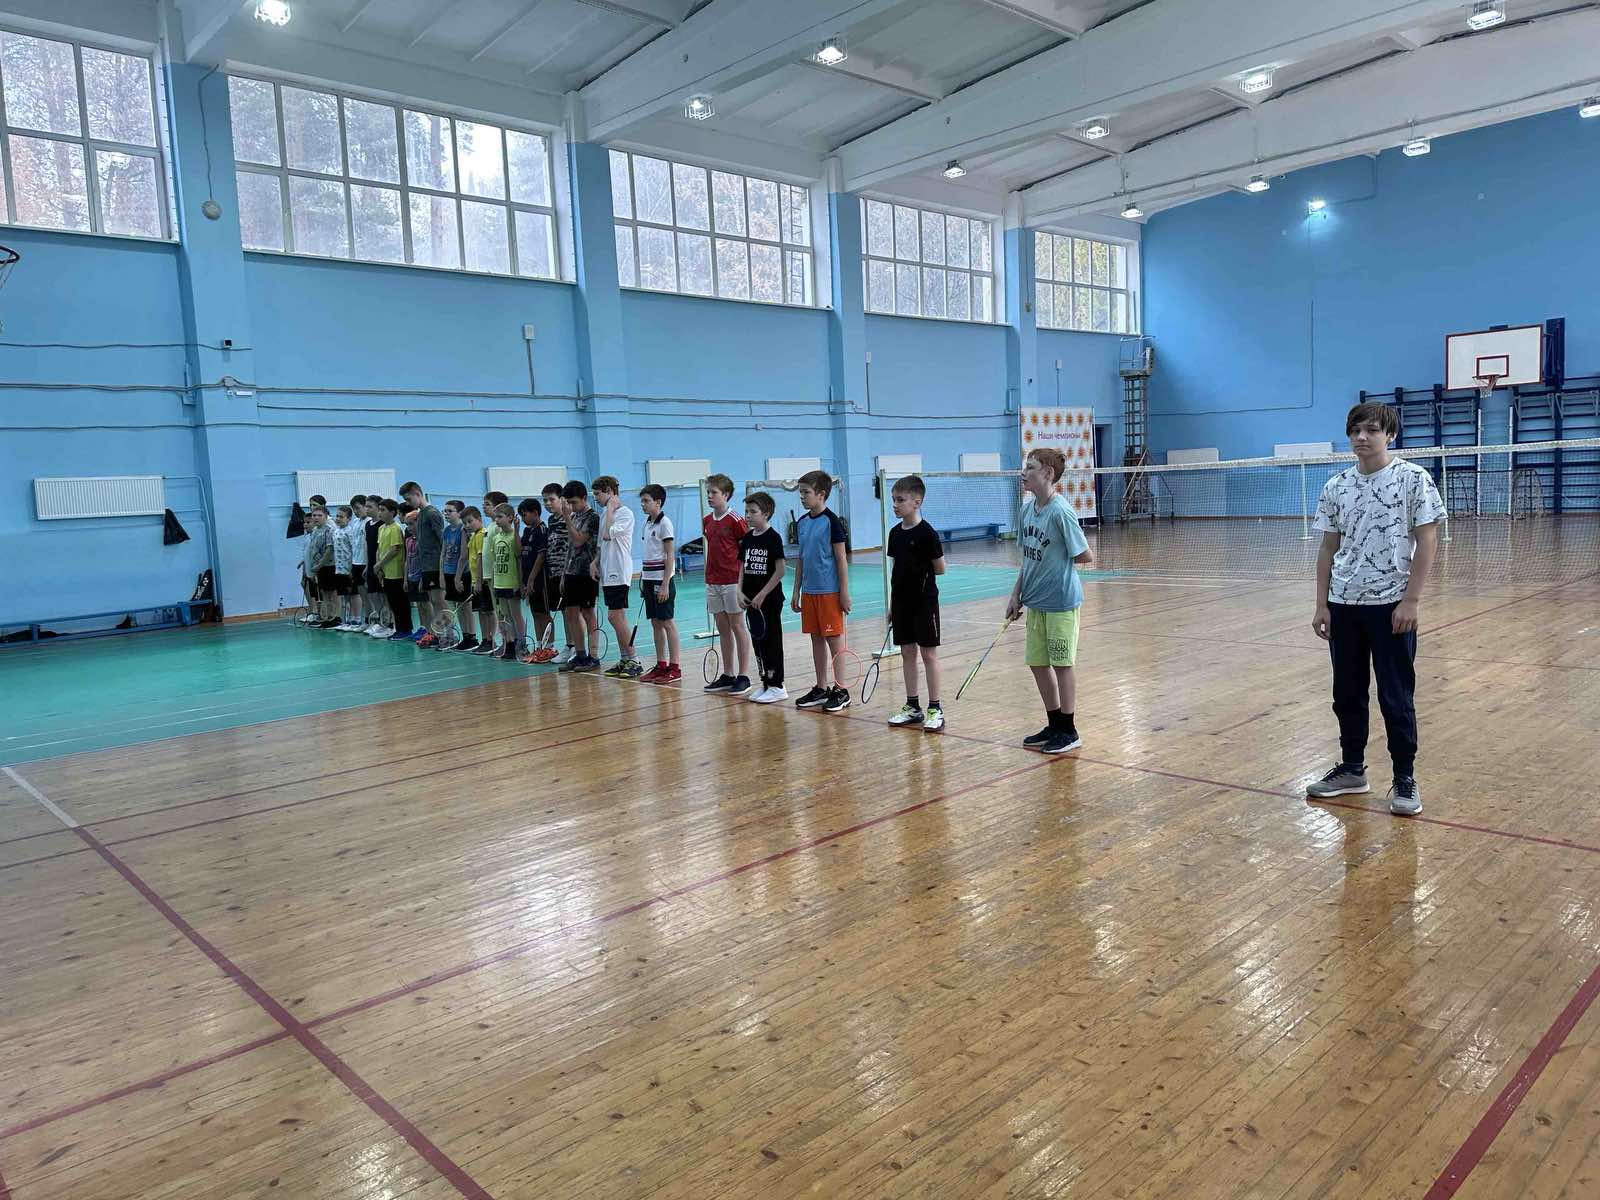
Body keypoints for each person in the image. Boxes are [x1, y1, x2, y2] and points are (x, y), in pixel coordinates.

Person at [1307, 401, 1445, 816]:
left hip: (1392, 607)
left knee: (1395, 695)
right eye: (1355, 431)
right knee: (1347, 693)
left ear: (1390, 435)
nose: (1361, 437)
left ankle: (1404, 777)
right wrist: (1322, 604)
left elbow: (1428, 541)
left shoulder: (1413, 479)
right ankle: (1352, 769)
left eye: (1371, 430)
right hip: (1344, 605)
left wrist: (1411, 600)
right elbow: (1327, 548)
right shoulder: (1336, 486)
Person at [1006, 448, 1092, 754]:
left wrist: (1056, 562)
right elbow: (1028, 559)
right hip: (1035, 603)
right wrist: (1016, 594)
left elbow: (1085, 555)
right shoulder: (1026, 511)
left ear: (1048, 473)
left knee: (1062, 665)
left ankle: (1069, 730)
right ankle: (1054, 723)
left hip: (1061, 603)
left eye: (1030, 467)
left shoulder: (1061, 512)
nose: (1023, 473)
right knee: (1038, 664)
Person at [885, 475, 946, 732]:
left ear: (916, 502)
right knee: (907, 653)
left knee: (928, 654)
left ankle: (935, 708)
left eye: (900, 500)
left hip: (924, 603)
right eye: (893, 500)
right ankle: (912, 706)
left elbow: (940, 568)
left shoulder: (927, 534)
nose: (895, 505)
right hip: (901, 604)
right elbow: (895, 570)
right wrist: (892, 604)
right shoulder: (895, 534)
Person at [790, 470, 851, 712]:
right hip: (809, 592)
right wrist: (796, 591)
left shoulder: (832, 522)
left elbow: (841, 559)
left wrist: (844, 592)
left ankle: (841, 689)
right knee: (816, 639)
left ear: (821, 494)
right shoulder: (802, 523)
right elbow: (801, 558)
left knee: (833, 640)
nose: (802, 497)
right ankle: (821, 687)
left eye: (806, 492)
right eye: (801, 493)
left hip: (829, 592)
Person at [701, 473, 753, 696]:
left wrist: (743, 583)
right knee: (723, 629)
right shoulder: (707, 521)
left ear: (726, 495)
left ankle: (744, 675)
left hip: (733, 581)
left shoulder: (736, 520)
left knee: (738, 626)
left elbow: (746, 550)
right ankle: (728, 674)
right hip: (713, 581)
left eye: (714, 493)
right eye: (708, 492)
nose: (709, 496)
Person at [737, 490, 787, 704]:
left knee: (771, 642)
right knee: (758, 642)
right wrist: (739, 591)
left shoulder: (773, 538)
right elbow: (742, 567)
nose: (747, 515)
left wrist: (762, 594)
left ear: (765, 513)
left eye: (753, 512)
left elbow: (780, 570)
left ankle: (777, 685)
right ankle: (766, 682)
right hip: (750, 601)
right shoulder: (748, 538)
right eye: (746, 511)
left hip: (769, 601)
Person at [637, 484, 682, 683]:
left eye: (646, 501)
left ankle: (675, 667)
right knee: (655, 622)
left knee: (667, 622)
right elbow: (648, 553)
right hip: (648, 579)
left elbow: (670, 554)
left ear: (658, 502)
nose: (643, 504)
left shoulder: (665, 523)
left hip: (661, 579)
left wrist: (665, 583)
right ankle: (661, 665)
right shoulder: (646, 523)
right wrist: (643, 580)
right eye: (642, 501)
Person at [561, 480, 602, 672]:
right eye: (568, 503)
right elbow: (570, 548)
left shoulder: (593, 518)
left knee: (587, 613)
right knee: (571, 614)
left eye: (574, 502)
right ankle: (580, 654)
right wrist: (564, 573)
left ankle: (593, 656)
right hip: (571, 572)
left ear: (584, 498)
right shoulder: (574, 516)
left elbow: (578, 541)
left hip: (586, 572)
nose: (571, 506)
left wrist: (567, 519)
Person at [516, 498, 553, 663]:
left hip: (540, 579)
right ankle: (540, 647)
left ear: (535, 513)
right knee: (535, 613)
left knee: (544, 614)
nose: (523, 518)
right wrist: (516, 530)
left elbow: (541, 555)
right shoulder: (527, 531)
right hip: (527, 579)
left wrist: (531, 579)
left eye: (525, 515)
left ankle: (549, 647)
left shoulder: (542, 530)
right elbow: (519, 552)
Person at [487, 503, 524, 662]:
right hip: (499, 583)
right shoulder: (496, 538)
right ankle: (510, 644)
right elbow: (495, 561)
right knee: (505, 616)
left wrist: (520, 584)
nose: (497, 520)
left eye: (500, 517)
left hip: (512, 582)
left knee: (516, 615)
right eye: (495, 517)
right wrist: (494, 583)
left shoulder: (514, 536)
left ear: (510, 517)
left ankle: (521, 644)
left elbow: (518, 556)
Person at [372, 499, 413, 639]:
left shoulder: (396, 528)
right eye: (379, 509)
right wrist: (378, 567)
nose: (380, 513)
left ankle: (405, 630)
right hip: (385, 573)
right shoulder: (381, 528)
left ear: (392, 512)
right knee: (392, 603)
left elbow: (394, 549)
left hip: (396, 573)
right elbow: (379, 548)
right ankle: (398, 628)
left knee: (400, 603)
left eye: (383, 510)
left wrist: (379, 564)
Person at [457, 506, 496, 655]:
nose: (467, 525)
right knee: (481, 612)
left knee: (489, 612)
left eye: (470, 521)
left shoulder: (482, 535)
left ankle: (491, 640)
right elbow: (465, 555)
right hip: (475, 581)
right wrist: (463, 535)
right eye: (464, 523)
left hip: (483, 581)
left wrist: (479, 581)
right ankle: (485, 639)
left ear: (479, 519)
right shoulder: (473, 535)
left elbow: (480, 559)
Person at [541, 483, 573, 663]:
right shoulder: (551, 520)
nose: (547, 503)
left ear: (562, 499)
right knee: (563, 611)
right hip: (553, 573)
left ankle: (575, 647)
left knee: (572, 612)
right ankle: (569, 646)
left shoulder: (570, 517)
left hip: (567, 572)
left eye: (551, 499)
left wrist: (566, 571)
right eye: (545, 500)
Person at [437, 500, 467, 648]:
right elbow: (443, 553)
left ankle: (468, 636)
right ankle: (451, 635)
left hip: (460, 574)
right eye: (445, 511)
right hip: (447, 573)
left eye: (450, 511)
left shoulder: (463, 530)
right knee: (450, 606)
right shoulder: (447, 530)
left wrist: (457, 577)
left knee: (463, 607)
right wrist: (441, 575)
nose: (446, 514)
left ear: (459, 513)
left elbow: (463, 556)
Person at [306, 506, 339, 628]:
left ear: (325, 516)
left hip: (329, 565)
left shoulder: (329, 530)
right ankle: (327, 616)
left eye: (319, 515)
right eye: (314, 515)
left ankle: (336, 617)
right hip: (318, 567)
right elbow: (313, 549)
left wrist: (320, 564)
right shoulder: (315, 530)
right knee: (324, 592)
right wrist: (314, 566)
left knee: (332, 592)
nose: (316, 518)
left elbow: (329, 549)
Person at [331, 505, 360, 630]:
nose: (338, 519)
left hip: (349, 568)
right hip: (339, 569)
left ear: (348, 519)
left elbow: (354, 549)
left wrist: (351, 568)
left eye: (341, 517)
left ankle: (356, 619)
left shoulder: (350, 531)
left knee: (353, 594)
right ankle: (345, 620)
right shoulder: (336, 531)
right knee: (343, 595)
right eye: (337, 516)